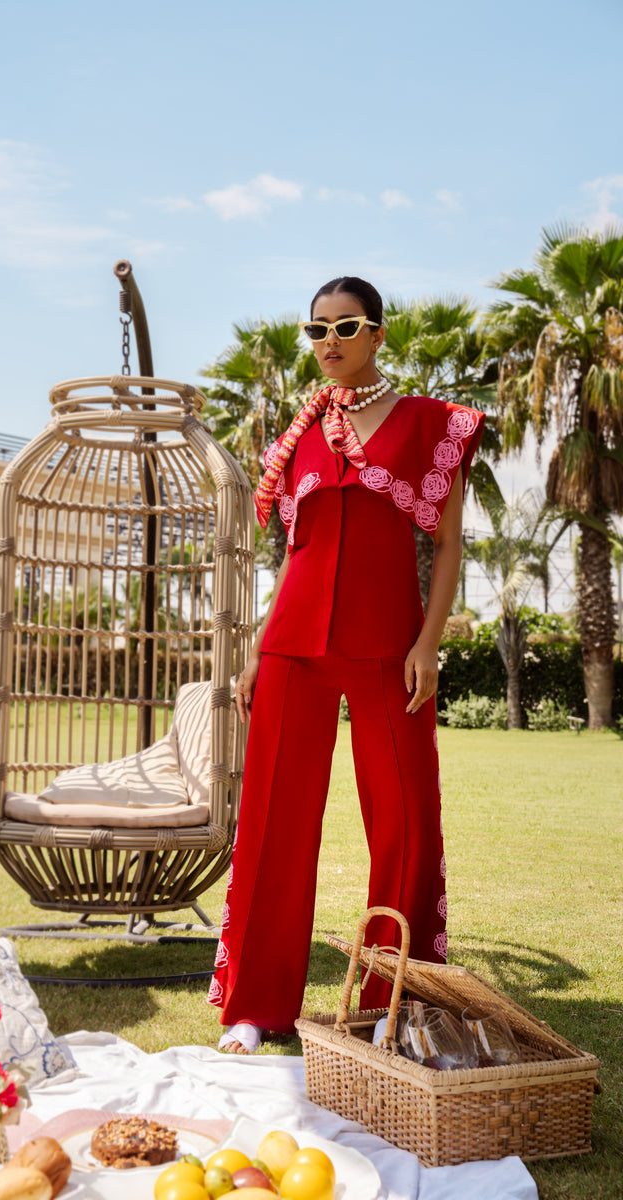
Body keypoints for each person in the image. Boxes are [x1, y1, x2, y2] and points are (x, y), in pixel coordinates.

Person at [208, 276, 485, 1055]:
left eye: (347, 325)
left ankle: (394, 1003)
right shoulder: (300, 435)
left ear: (379, 333)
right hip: (292, 646)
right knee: (272, 826)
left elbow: (449, 543)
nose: (330, 340)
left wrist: (428, 642)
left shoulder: (432, 424)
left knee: (404, 823)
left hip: (387, 650)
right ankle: (256, 1004)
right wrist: (257, 652)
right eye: (317, 328)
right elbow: (295, 553)